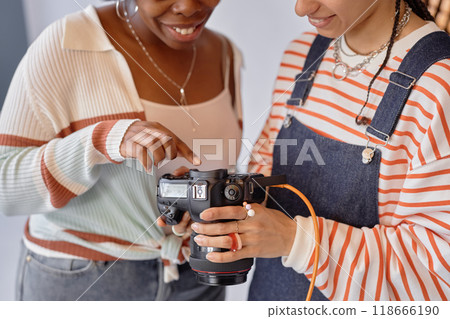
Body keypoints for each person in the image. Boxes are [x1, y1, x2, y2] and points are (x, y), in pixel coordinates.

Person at [191, 0, 450, 300]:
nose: (301, 8)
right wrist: (216, 209)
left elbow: (435, 274)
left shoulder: (439, 86)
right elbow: (263, 166)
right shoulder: (301, 55)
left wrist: (294, 240)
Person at [0, 0, 243, 301]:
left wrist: (194, 208)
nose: (188, 7)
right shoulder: (67, 43)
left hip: (200, 276)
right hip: (87, 279)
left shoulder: (225, 53)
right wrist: (102, 142)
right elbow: (4, 186)